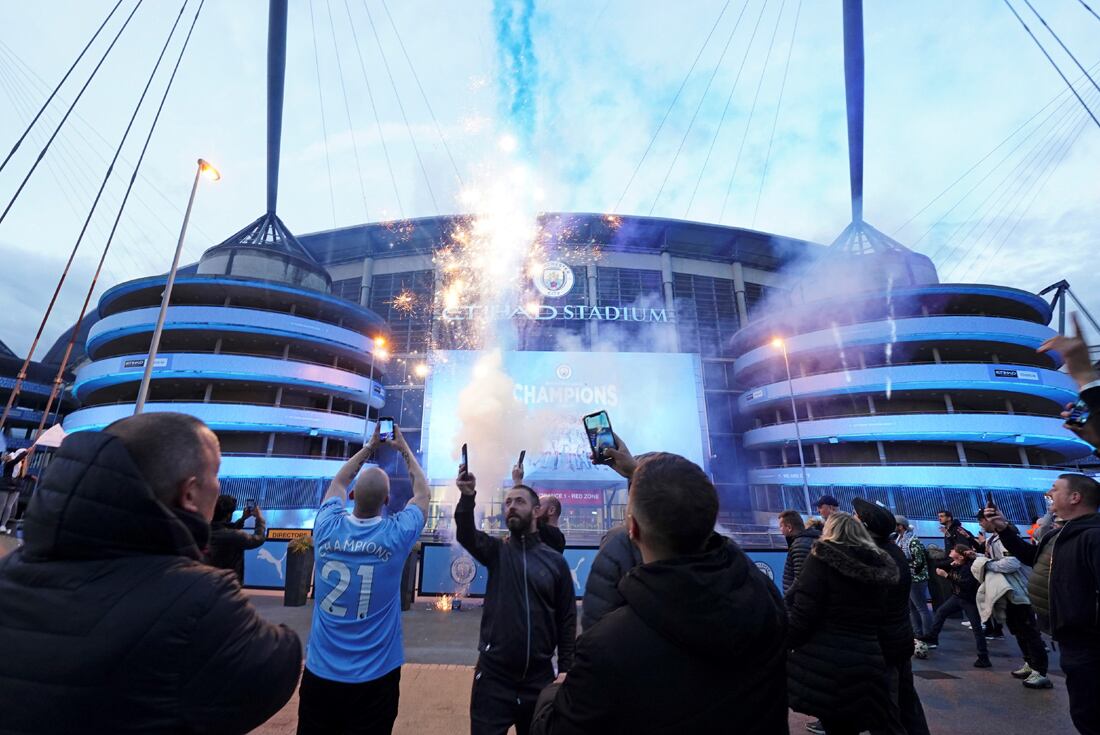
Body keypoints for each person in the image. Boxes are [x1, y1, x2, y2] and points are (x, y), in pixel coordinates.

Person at [0, 413, 302, 733]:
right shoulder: (201, 601)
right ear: (189, 493)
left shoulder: (9, 569)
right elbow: (275, 668)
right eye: (216, 475)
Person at [530, 452, 788, 735]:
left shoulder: (608, 645)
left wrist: (551, 694)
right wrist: (636, 472)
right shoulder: (763, 599)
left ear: (633, 529)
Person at [297, 423, 429, 735]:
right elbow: (422, 493)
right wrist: (403, 449)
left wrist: (370, 447)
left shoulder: (326, 525)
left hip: (321, 673)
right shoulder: (395, 535)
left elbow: (339, 481)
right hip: (375, 679)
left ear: (353, 496)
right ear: (387, 501)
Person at [456, 461, 576, 735]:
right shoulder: (497, 552)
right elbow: (466, 534)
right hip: (493, 678)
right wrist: (467, 496)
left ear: (536, 512)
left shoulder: (555, 562)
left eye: (519, 501)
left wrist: (566, 669)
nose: (511, 506)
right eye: (507, 501)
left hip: (540, 679)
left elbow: (567, 619)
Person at [985, 474, 1100, 734]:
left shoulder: (1092, 536)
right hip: (1069, 639)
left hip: (1088, 642)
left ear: (1075, 497)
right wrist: (1004, 529)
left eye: (1055, 489)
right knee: (1083, 710)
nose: (1049, 493)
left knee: (1090, 713)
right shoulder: (1058, 535)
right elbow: (1031, 557)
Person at [786, 511, 899, 735]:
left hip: (828, 661)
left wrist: (786, 642)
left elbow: (804, 612)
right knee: (852, 722)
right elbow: (884, 614)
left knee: (836, 724)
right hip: (869, 657)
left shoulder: (821, 560)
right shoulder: (880, 566)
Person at [852, 499, 929, 735]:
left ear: (865, 525)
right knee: (907, 707)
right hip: (896, 640)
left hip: (882, 645)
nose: (852, 519)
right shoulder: (891, 550)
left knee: (886, 712)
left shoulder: (875, 556)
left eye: (855, 517)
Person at [973, 510, 1051, 689]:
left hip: (1018, 590)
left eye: (982, 521)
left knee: (1029, 631)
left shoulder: (1005, 539)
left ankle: (1040, 670)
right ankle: (1029, 663)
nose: (981, 525)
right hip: (1006, 591)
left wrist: (987, 564)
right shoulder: (993, 539)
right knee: (1017, 630)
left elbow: (1012, 563)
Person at [920, 545, 991, 668]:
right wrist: (953, 564)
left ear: (960, 555)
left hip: (969, 600)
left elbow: (966, 583)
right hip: (957, 597)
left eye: (953, 550)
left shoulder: (969, 567)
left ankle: (983, 657)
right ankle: (932, 637)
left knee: (976, 628)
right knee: (941, 612)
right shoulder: (955, 563)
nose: (950, 551)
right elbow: (940, 565)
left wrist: (947, 575)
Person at [207, 494, 267, 582]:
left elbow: (224, 530)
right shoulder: (235, 536)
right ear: (228, 515)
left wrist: (242, 519)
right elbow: (258, 539)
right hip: (228, 584)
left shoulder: (206, 531)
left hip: (208, 580)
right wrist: (259, 519)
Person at [511, 461, 566, 553]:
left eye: (538, 506)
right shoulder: (557, 537)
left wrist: (518, 481)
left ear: (551, 510)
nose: (534, 510)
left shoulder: (551, 534)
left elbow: (526, 517)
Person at [896, 515, 932, 640]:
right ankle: (918, 634)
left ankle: (928, 636)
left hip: (916, 579)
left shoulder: (913, 541)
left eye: (895, 525)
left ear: (901, 526)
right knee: (912, 608)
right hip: (909, 578)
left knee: (921, 608)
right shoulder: (900, 539)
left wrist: (905, 565)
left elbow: (919, 561)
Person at [779, 509, 820, 593]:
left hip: (800, 599)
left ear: (789, 527)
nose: (780, 530)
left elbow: (800, 579)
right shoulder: (805, 540)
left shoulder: (800, 545)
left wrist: (788, 597)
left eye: (781, 526)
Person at [0, 447, 27, 534]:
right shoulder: (10, 461)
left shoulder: (22, 465)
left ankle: (3, 525)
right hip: (6, 485)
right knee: (2, 505)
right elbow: (16, 460)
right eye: (22, 456)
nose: (23, 459)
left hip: (16, 487)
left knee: (9, 506)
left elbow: (22, 476)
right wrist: (26, 452)